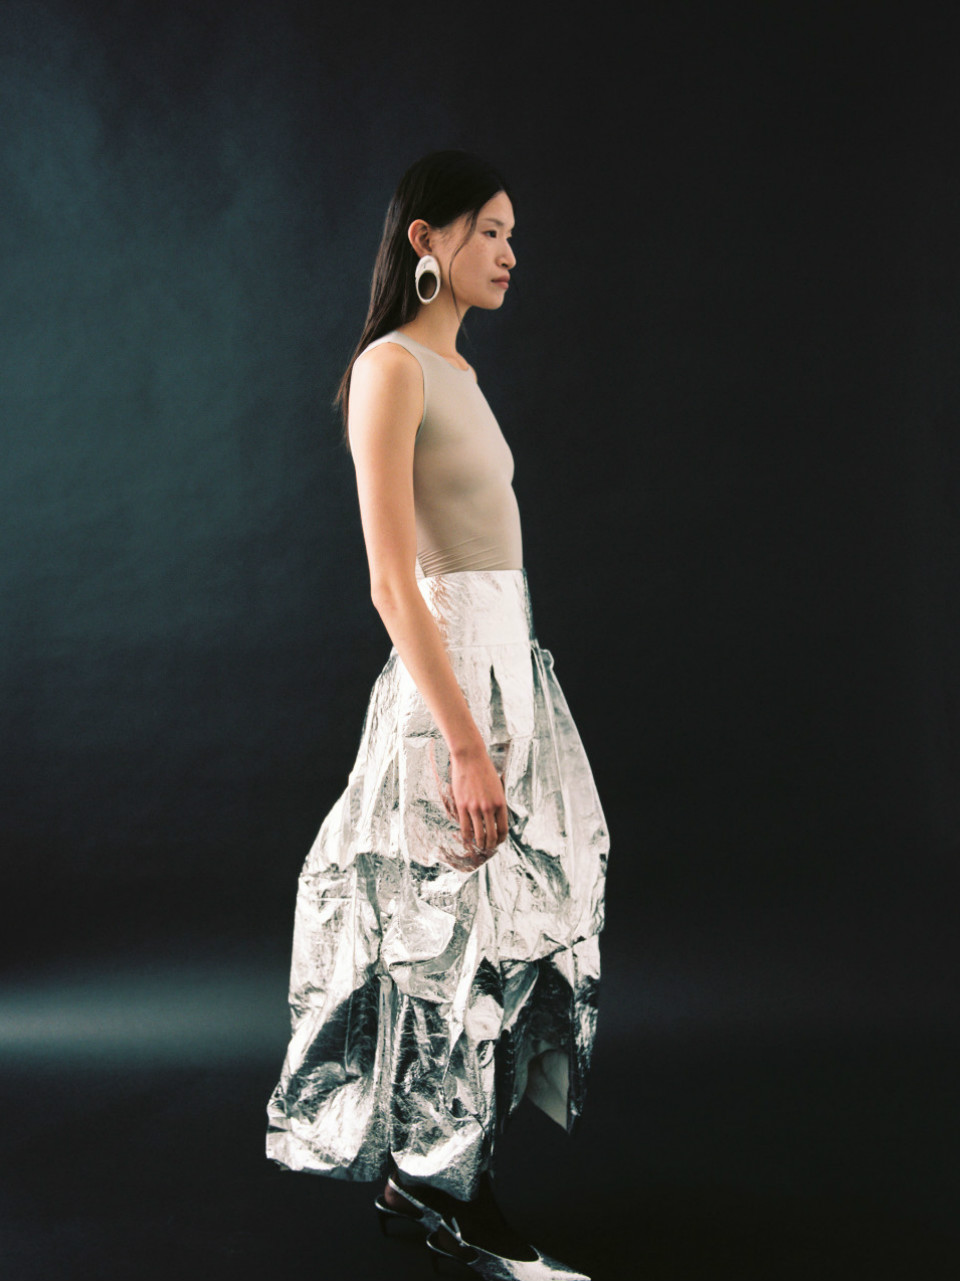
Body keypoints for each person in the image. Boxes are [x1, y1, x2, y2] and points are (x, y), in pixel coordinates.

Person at [266, 150, 609, 1280]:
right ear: (428, 240)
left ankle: (434, 1182)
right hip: (448, 688)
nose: (510, 253)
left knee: (499, 940)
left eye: (514, 234)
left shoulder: (458, 369)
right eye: (490, 231)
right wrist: (463, 742)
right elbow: (390, 579)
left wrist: (510, 713)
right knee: (442, 944)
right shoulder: (392, 368)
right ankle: (443, 1193)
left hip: (510, 674)